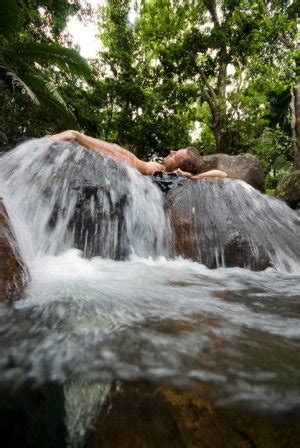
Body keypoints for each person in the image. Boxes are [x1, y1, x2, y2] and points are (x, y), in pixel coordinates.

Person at [50, 130, 228, 179]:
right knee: (118, 151)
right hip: (128, 167)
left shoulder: (163, 171)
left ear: (179, 166)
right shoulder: (164, 172)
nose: (171, 152)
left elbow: (223, 174)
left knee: (120, 153)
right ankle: (76, 136)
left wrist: (192, 177)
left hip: (129, 164)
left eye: (176, 155)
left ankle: (76, 136)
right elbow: (223, 174)